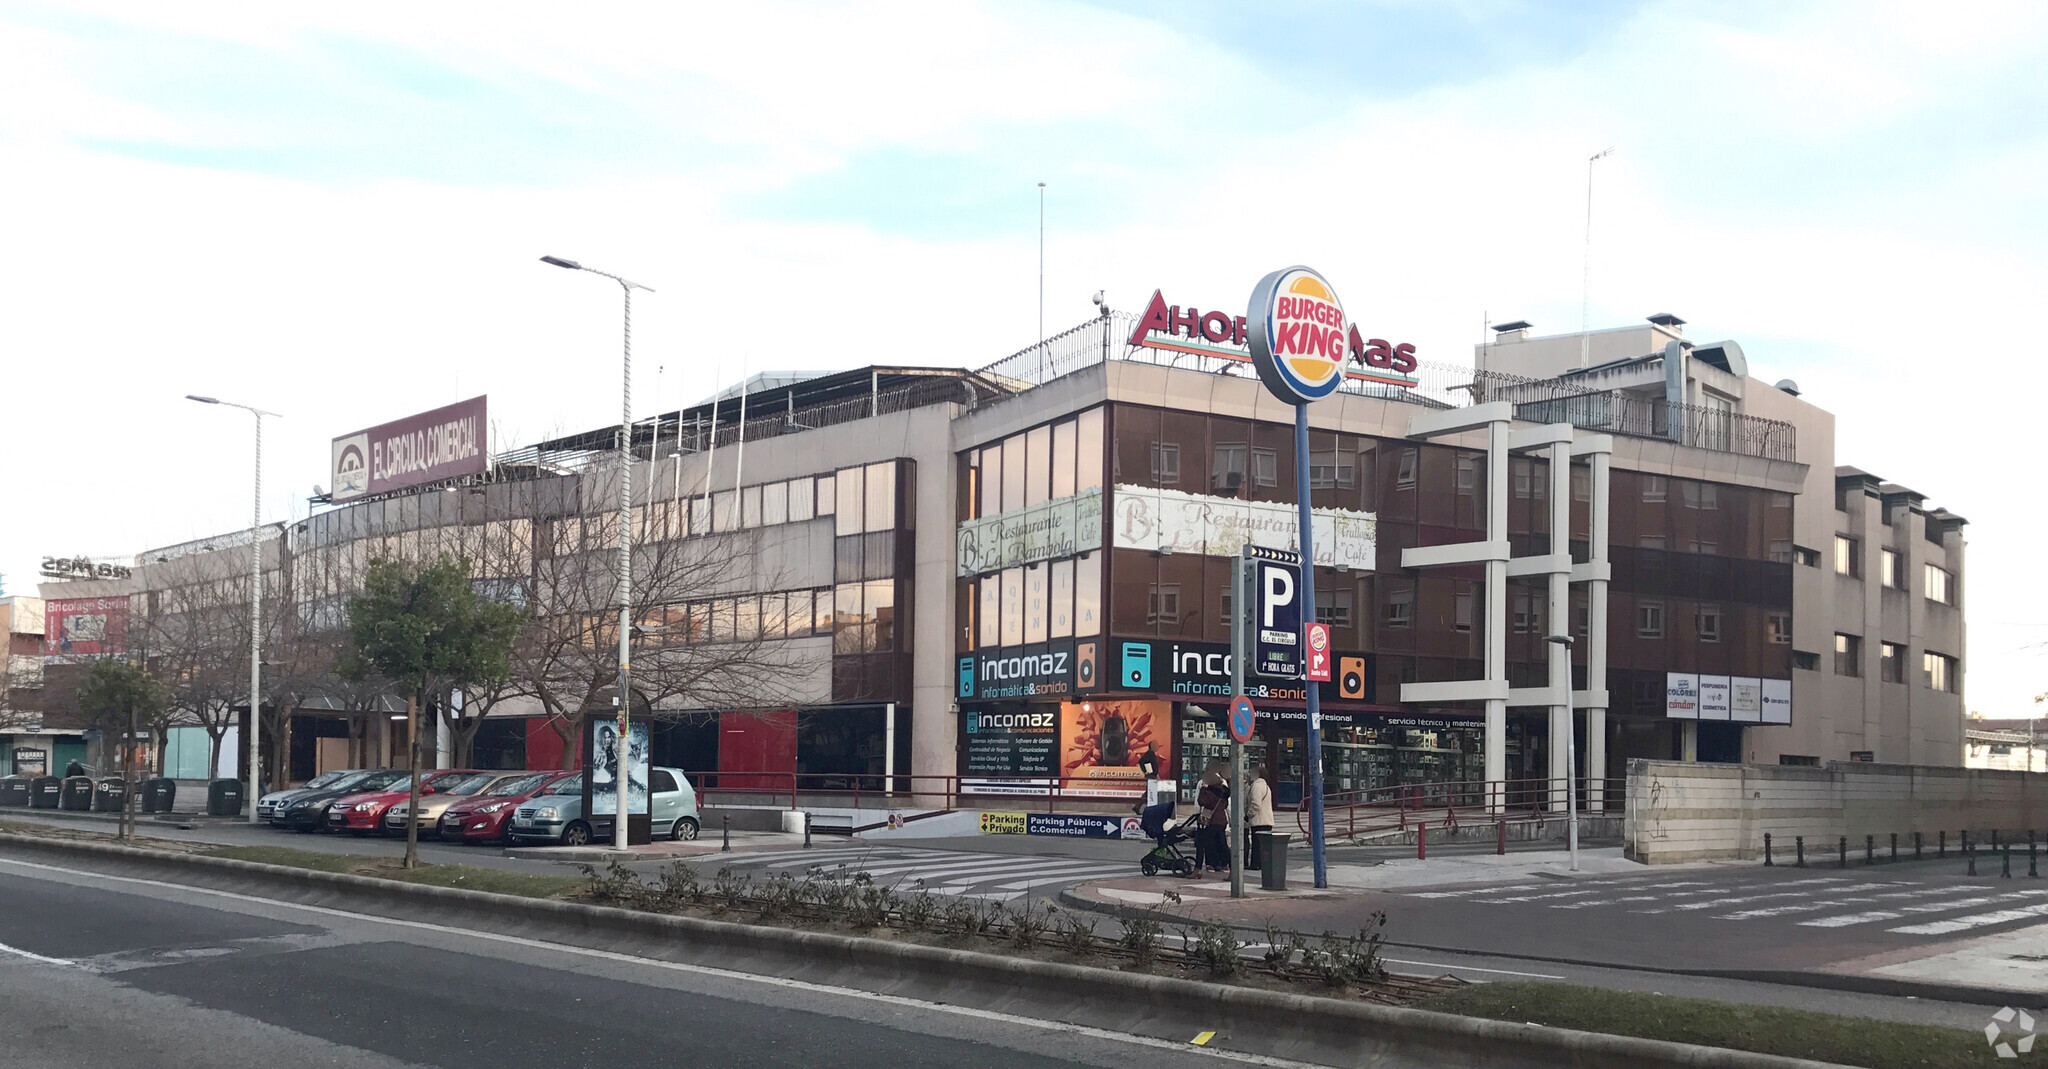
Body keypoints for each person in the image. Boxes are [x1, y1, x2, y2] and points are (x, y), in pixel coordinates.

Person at [1195, 761, 1231, 875]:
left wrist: (1203, 790)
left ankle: (1198, 869)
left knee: (1201, 844)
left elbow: (1201, 802)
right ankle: (1232, 867)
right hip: (1221, 820)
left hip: (1210, 820)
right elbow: (1226, 804)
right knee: (1222, 845)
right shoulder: (1223, 785)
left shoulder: (1205, 786)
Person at [1245, 761, 1275, 872]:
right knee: (1264, 845)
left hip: (1259, 820)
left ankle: (1256, 863)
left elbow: (1255, 803)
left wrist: (1248, 815)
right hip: (1267, 820)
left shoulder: (1256, 786)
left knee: (1257, 844)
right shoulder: (1265, 786)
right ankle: (1262, 864)